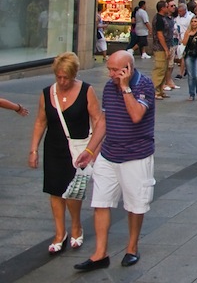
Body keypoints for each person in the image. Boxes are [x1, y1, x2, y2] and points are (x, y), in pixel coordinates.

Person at [73, 50, 155, 271]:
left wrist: (125, 87)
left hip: (136, 156)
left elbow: (137, 115)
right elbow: (104, 121)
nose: (110, 74)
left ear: (128, 69)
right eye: (109, 69)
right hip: (109, 154)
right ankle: (100, 253)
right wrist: (90, 151)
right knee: (100, 202)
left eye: (114, 70)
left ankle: (132, 247)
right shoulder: (110, 87)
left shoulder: (144, 85)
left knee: (135, 205)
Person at [28, 53, 101, 255]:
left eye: (66, 77)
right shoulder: (47, 93)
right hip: (54, 147)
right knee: (55, 190)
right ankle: (60, 233)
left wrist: (94, 149)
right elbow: (40, 121)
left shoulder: (87, 91)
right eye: (59, 77)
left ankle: (76, 226)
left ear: (74, 74)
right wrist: (34, 149)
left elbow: (97, 119)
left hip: (78, 150)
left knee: (73, 192)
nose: (62, 81)